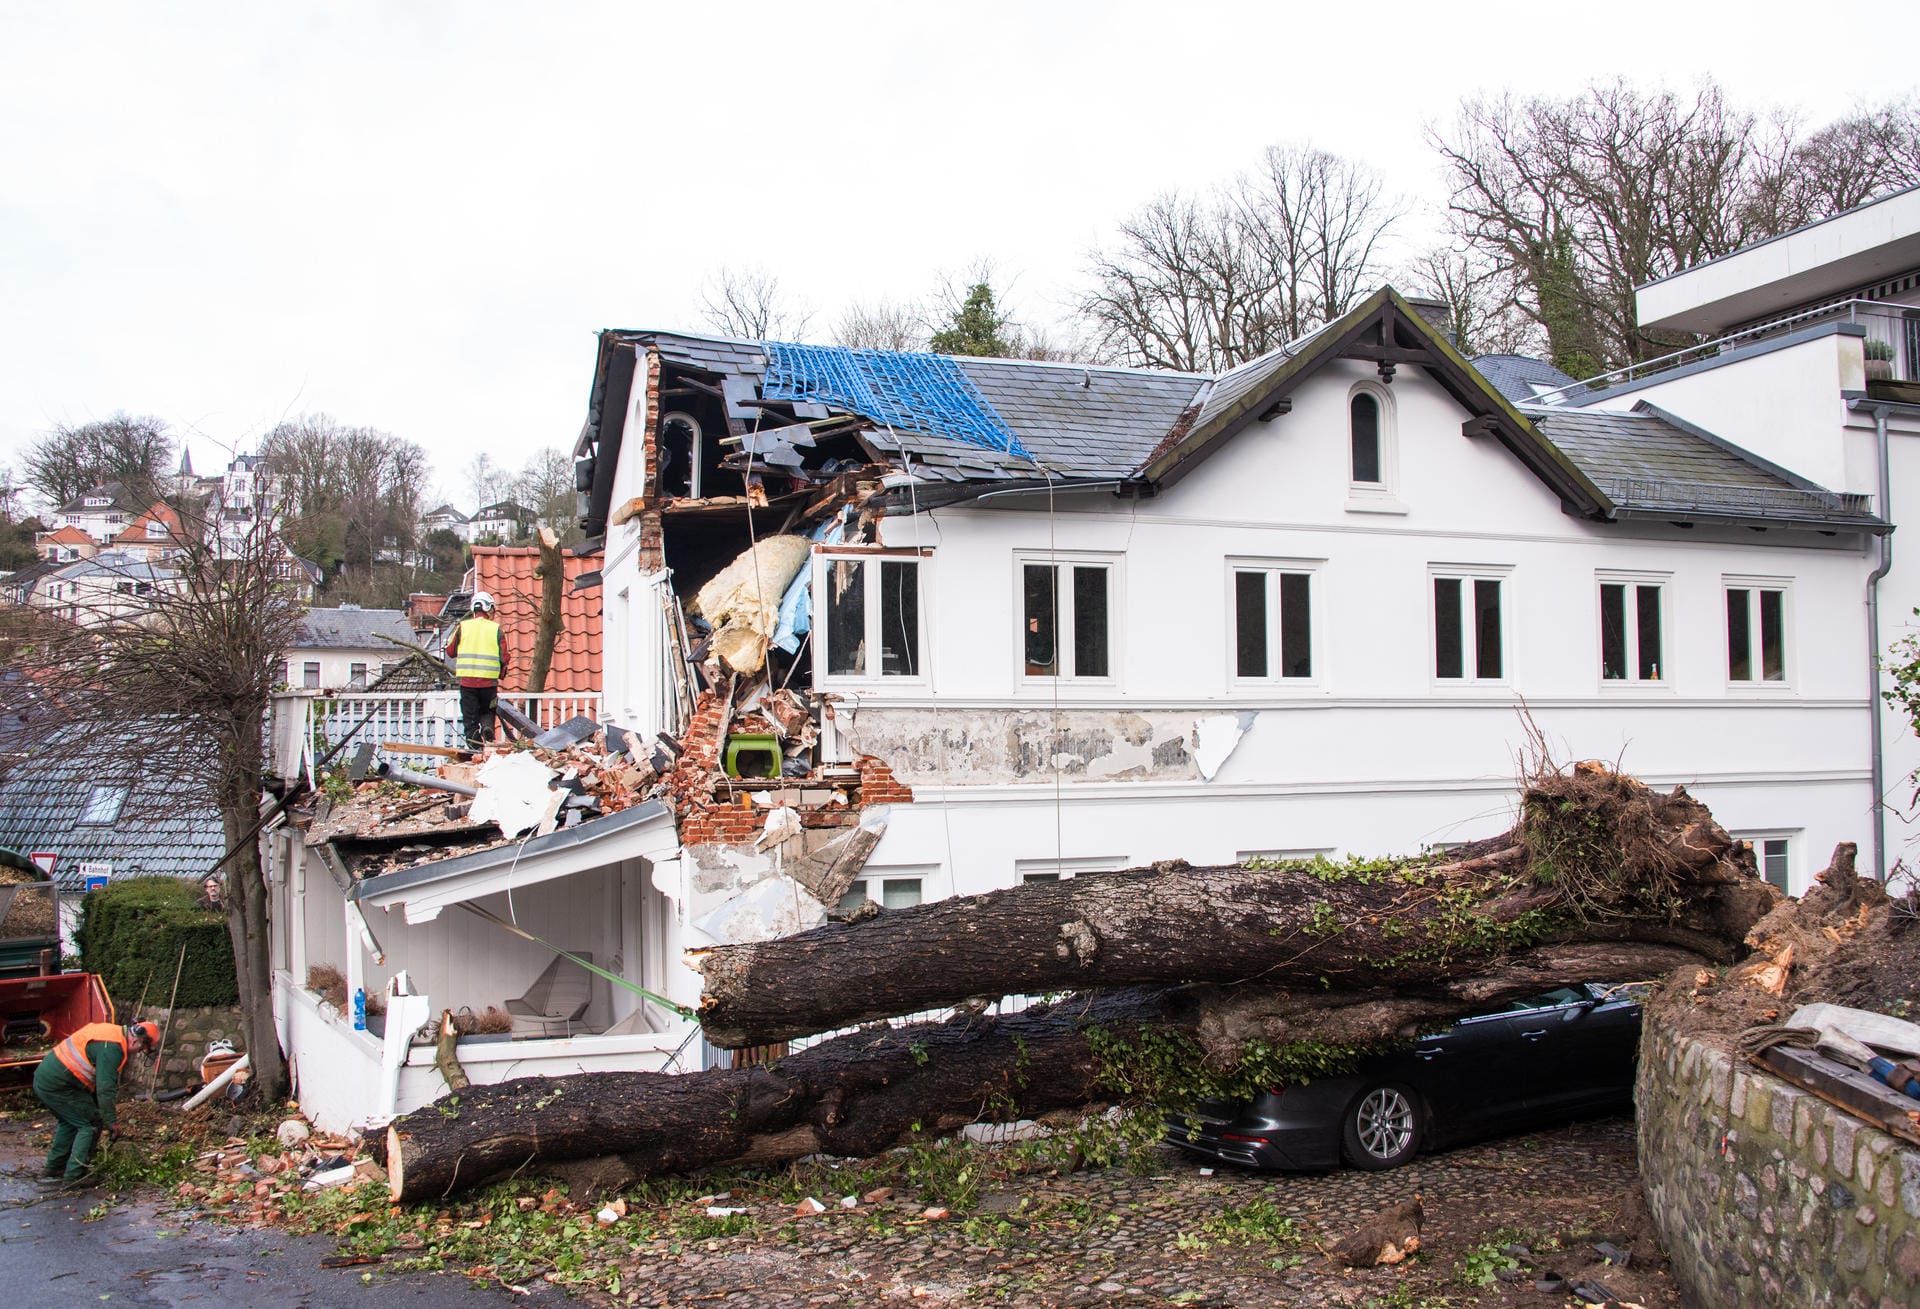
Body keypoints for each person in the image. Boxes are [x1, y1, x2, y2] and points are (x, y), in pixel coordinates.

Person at [33, 1020, 159, 1185]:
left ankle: (53, 1169)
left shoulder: (112, 1034)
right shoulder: (112, 1048)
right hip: (59, 1084)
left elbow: (94, 1086)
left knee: (70, 1123)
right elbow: (105, 1089)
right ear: (137, 1040)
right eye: (141, 1049)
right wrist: (110, 1122)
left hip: (49, 1080)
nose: (138, 1052)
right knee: (90, 1125)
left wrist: (100, 1111)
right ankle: (75, 1176)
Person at [446, 590, 510, 749]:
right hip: (489, 684)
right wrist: (501, 673)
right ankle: (487, 728)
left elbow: (450, 650)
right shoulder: (496, 630)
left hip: (467, 684)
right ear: (489, 608)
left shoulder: (462, 627)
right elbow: (504, 657)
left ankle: (474, 746)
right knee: (488, 711)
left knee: (470, 719)